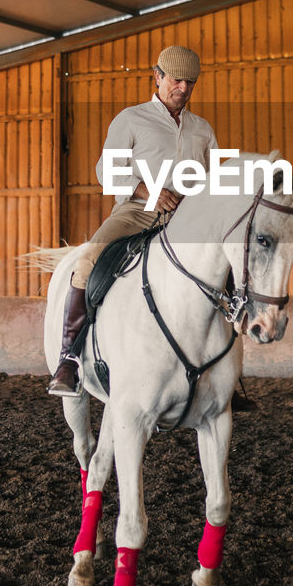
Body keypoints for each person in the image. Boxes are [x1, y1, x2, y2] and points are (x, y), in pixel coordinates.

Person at [48, 44, 217, 396]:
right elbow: (104, 171)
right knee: (88, 259)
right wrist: (149, 191)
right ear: (157, 76)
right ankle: (70, 359)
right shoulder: (131, 119)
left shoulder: (202, 129)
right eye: (176, 80)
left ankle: (225, 372)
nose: (183, 89)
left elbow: (213, 176)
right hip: (136, 213)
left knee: (225, 263)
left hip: (189, 216)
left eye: (190, 83)